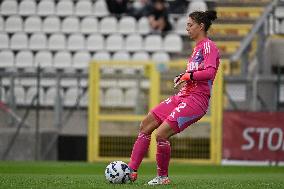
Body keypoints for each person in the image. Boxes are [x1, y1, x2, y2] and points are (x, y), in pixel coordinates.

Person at [127, 10, 220, 185]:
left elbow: (209, 72)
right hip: (184, 96)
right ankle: (131, 171)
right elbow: (196, 73)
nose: (187, 29)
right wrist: (184, 75)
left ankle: (163, 178)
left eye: (190, 25)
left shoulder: (209, 46)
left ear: (201, 26)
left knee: (161, 134)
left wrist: (188, 76)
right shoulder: (197, 49)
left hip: (196, 101)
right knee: (146, 124)